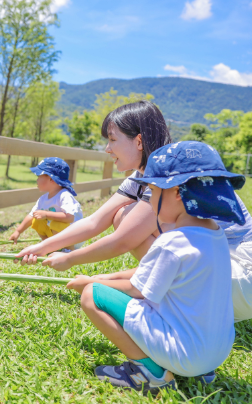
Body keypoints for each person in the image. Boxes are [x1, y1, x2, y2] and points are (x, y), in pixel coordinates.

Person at [65, 141, 243, 390]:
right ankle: (203, 373)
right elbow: (152, 275)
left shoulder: (173, 242)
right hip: (215, 355)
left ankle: (150, 372)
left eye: (153, 191)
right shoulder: (215, 236)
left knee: (92, 297)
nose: (150, 200)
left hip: (184, 355)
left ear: (178, 193)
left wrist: (91, 282)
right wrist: (109, 274)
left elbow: (137, 289)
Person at [19, 99, 173, 270]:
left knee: (127, 215)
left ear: (139, 142)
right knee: (120, 215)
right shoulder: (138, 178)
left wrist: (71, 258)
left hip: (196, 271)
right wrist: (42, 247)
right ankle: (161, 278)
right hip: (179, 264)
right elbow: (94, 221)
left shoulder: (164, 179)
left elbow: (123, 241)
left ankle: (168, 281)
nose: (107, 149)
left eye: (113, 140)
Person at [8, 157, 83, 247]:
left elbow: (69, 218)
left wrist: (46, 214)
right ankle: (48, 245)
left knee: (56, 223)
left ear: (51, 179)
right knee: (36, 220)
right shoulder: (43, 199)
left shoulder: (65, 195)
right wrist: (18, 231)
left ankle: (68, 250)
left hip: (74, 238)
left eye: (39, 176)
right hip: (57, 235)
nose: (37, 180)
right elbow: (31, 215)